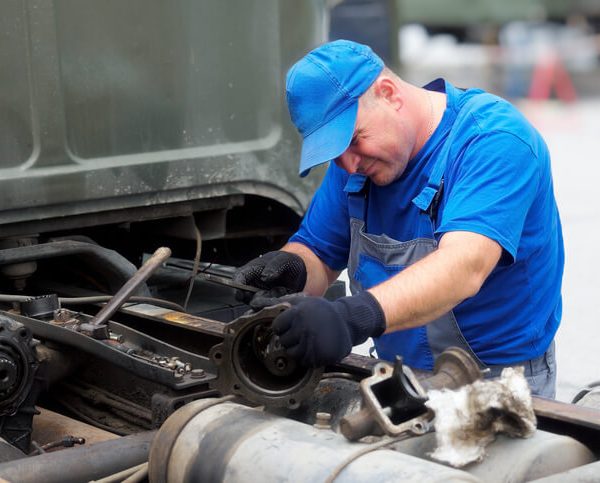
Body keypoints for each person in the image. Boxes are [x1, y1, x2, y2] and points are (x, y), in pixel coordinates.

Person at [234, 40, 563, 398]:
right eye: (335, 153)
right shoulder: (356, 161)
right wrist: (294, 267)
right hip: (396, 374)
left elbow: (464, 266)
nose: (348, 164)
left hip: (496, 382)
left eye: (354, 140)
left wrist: (349, 318)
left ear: (388, 93)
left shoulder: (493, 140)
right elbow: (319, 250)